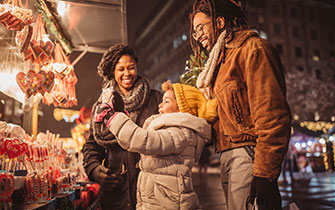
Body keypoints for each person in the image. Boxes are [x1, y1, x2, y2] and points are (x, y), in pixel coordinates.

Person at [190, 0, 292, 210]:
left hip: (248, 154)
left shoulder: (253, 49)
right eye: (194, 32)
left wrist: (265, 175)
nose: (197, 35)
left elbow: (272, 115)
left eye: (201, 27)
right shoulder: (219, 63)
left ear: (219, 21)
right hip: (227, 155)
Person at [93, 80, 218, 210]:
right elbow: (133, 141)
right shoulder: (171, 129)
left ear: (182, 107)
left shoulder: (181, 133)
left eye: (167, 101)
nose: (160, 105)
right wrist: (120, 117)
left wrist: (111, 118)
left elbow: (145, 140)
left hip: (169, 202)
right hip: (160, 200)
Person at [82, 44, 163, 210]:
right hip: (115, 194)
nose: (127, 73)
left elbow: (166, 138)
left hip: (151, 190)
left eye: (131, 67)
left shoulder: (155, 99)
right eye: (121, 69)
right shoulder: (102, 106)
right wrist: (96, 171)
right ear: (113, 72)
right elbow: (92, 147)